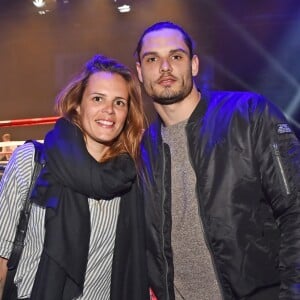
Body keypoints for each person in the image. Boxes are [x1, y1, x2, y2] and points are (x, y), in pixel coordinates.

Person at [135, 21, 300, 300]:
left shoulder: (248, 114)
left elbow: (295, 209)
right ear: (140, 71)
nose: (164, 67)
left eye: (176, 56)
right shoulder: (142, 150)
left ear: (194, 64)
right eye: (152, 59)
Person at [0, 54, 150, 300]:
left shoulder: (131, 177)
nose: (109, 111)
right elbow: (2, 258)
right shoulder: (33, 161)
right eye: (98, 98)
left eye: (120, 102)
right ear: (78, 105)